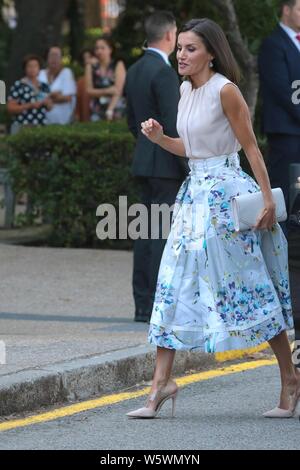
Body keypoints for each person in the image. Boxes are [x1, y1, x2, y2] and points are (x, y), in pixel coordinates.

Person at [126, 18, 299, 419]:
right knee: (172, 284)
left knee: (250, 288)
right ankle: (160, 385)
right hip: (193, 200)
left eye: (190, 49)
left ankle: (290, 376)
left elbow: (251, 147)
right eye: (179, 47)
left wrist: (267, 199)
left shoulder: (226, 90)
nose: (181, 55)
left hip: (227, 199)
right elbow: (190, 147)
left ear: (211, 53)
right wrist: (158, 139)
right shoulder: (186, 89)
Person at [125, 11, 189, 323]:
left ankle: (141, 303)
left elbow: (130, 121)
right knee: (159, 233)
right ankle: (154, 304)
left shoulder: (135, 69)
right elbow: (174, 125)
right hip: (165, 163)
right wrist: (188, 164)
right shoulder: (164, 73)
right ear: (169, 36)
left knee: (144, 231)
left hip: (143, 160)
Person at [258, 0, 300, 234]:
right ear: (286, 10)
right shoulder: (273, 44)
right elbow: (284, 91)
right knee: (284, 192)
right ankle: (280, 253)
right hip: (286, 135)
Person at [7, 54, 52, 134]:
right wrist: (29, 105)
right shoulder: (19, 85)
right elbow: (10, 108)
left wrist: (48, 104)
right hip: (22, 126)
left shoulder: (44, 86)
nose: (32, 69)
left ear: (39, 69)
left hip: (40, 126)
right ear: (25, 68)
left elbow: (49, 107)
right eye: (29, 66)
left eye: (35, 66)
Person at [85, 36, 126, 121]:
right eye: (97, 48)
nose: (99, 51)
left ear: (110, 49)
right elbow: (88, 90)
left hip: (116, 108)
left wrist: (110, 110)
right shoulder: (91, 66)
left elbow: (118, 90)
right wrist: (108, 91)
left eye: (102, 48)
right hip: (97, 110)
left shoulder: (118, 64)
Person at [39, 46, 77, 125]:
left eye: (57, 56)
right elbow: (36, 95)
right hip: (42, 121)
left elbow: (68, 97)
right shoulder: (41, 74)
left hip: (63, 122)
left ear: (61, 59)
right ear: (47, 57)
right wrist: (53, 95)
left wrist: (47, 98)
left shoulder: (67, 73)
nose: (54, 58)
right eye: (52, 55)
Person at [75, 48, 95, 122]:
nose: (87, 61)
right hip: (86, 117)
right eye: (85, 59)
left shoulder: (103, 77)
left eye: (89, 57)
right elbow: (77, 101)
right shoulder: (80, 81)